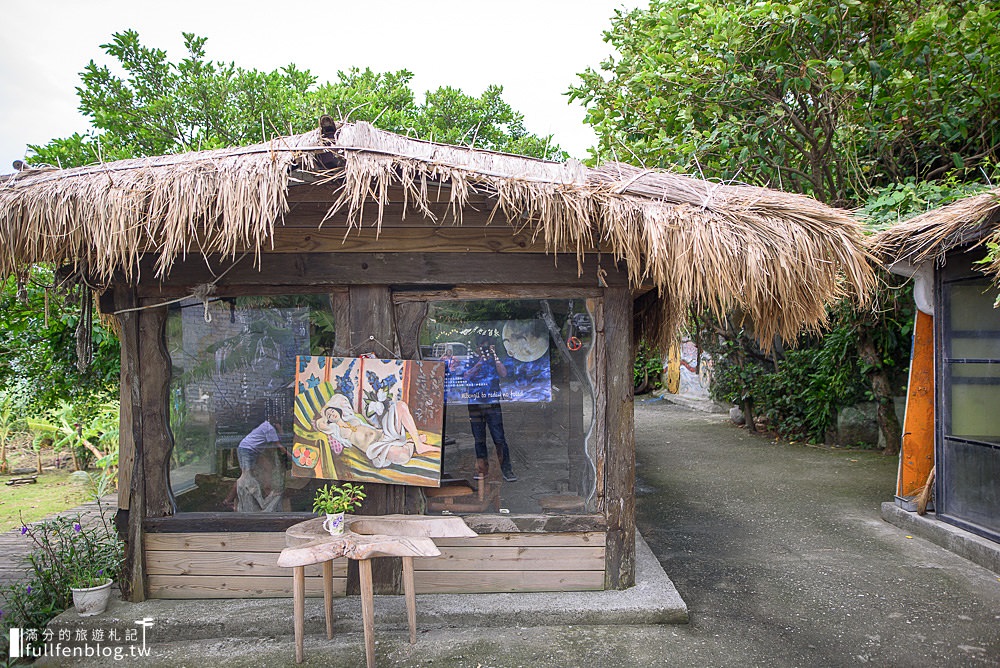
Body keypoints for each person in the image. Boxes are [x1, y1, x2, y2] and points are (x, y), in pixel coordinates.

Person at [312, 393, 439, 468]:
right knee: (402, 456)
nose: (332, 414)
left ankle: (419, 445)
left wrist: (328, 406)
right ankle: (411, 443)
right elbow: (320, 424)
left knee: (400, 405)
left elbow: (339, 398)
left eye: (332, 411)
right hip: (377, 448)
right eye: (329, 416)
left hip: (384, 434)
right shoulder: (336, 430)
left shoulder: (351, 417)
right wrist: (324, 413)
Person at [464, 334, 517, 482]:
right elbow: (466, 376)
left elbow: (504, 373)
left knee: (499, 438)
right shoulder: (472, 359)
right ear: (477, 348)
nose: (485, 350)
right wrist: (480, 362)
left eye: (487, 347)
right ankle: (482, 469)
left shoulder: (495, 360)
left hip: (492, 403)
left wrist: (494, 355)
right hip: (475, 403)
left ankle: (506, 469)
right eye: (483, 347)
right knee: (479, 438)